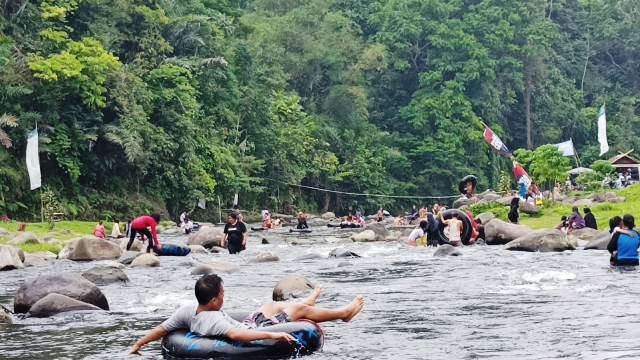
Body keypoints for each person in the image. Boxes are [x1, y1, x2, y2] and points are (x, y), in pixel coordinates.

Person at [129, 274, 365, 355]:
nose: (224, 295)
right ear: (213, 300)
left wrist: (137, 345)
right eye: (222, 293)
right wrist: (273, 336)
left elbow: (162, 329)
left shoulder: (188, 311)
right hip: (255, 328)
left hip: (253, 321)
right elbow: (236, 335)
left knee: (270, 305)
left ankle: (311, 299)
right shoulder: (214, 320)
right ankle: (343, 313)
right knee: (294, 310)